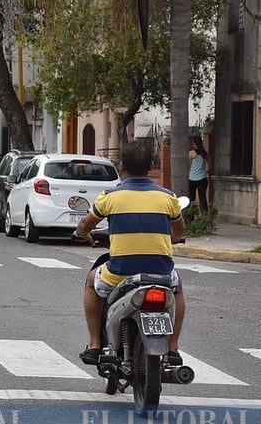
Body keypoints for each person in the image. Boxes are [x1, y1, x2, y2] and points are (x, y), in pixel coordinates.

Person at [73, 141, 186, 367]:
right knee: (178, 289)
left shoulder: (110, 196)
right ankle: (173, 348)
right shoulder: (168, 198)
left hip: (120, 274)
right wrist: (172, 237)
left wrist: (82, 232)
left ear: (122, 166)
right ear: (151, 165)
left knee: (90, 283)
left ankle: (95, 344)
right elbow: (179, 230)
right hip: (160, 274)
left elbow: (86, 224)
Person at [188, 135, 209, 212]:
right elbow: (207, 168)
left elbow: (188, 165)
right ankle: (205, 216)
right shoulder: (204, 153)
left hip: (192, 179)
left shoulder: (191, 153)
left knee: (191, 199)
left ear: (194, 143)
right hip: (203, 178)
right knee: (202, 198)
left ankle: (191, 216)